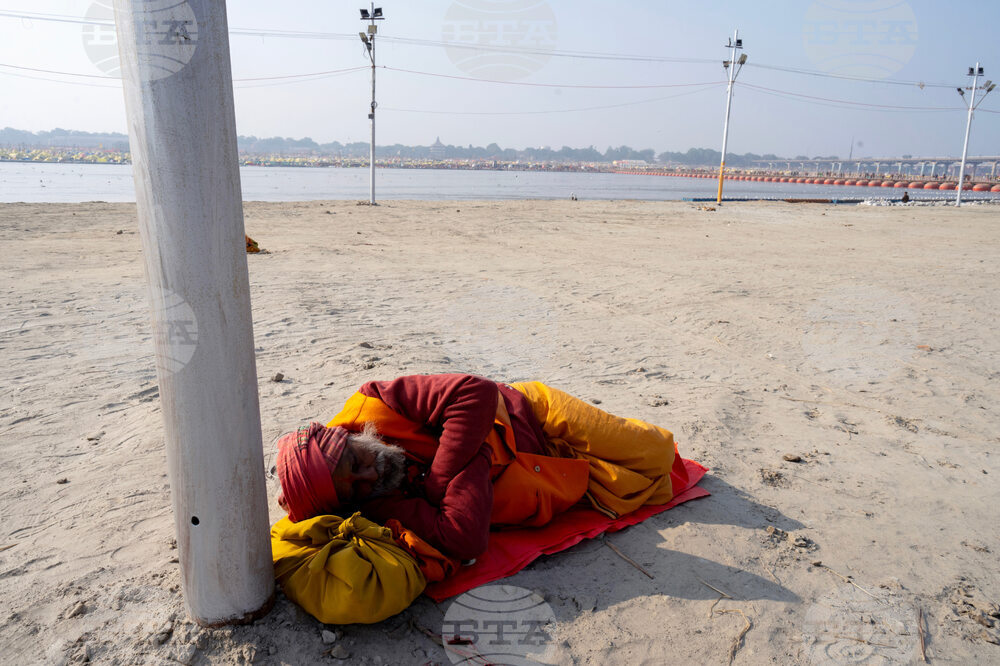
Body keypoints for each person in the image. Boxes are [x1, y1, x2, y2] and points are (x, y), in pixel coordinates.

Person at [276, 373, 687, 561]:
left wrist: (439, 481)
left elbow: (476, 392)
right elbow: (463, 538)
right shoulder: (379, 504)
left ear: (347, 436)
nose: (368, 475)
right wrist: (474, 451)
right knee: (631, 485)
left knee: (657, 455)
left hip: (533, 414)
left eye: (353, 460)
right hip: (537, 472)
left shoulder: (377, 401)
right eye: (352, 488)